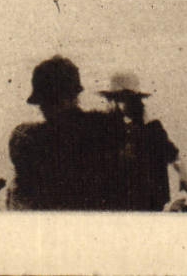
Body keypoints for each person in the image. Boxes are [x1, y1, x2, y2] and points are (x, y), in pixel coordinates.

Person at [8, 56, 119, 210]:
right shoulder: (106, 132)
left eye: (47, 102)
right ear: (75, 96)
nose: (43, 108)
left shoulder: (32, 140)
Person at [99, 72, 187, 212]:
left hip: (149, 202)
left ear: (136, 102)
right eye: (117, 100)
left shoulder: (153, 130)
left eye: (126, 100)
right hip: (116, 202)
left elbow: (173, 155)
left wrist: (183, 176)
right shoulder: (105, 131)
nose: (121, 105)